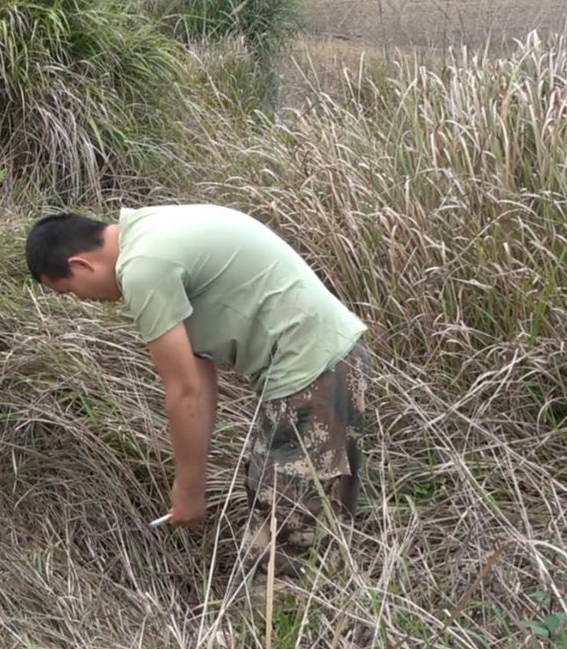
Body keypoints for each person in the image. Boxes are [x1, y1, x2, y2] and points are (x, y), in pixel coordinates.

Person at [25, 204, 369, 577]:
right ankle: (336, 601)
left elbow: (185, 391)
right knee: (305, 503)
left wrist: (189, 490)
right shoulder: (149, 229)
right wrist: (193, 481)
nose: (84, 301)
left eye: (70, 292)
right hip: (330, 361)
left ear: (81, 265)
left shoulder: (142, 268)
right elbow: (199, 377)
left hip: (312, 372)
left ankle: (271, 627)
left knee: (283, 534)